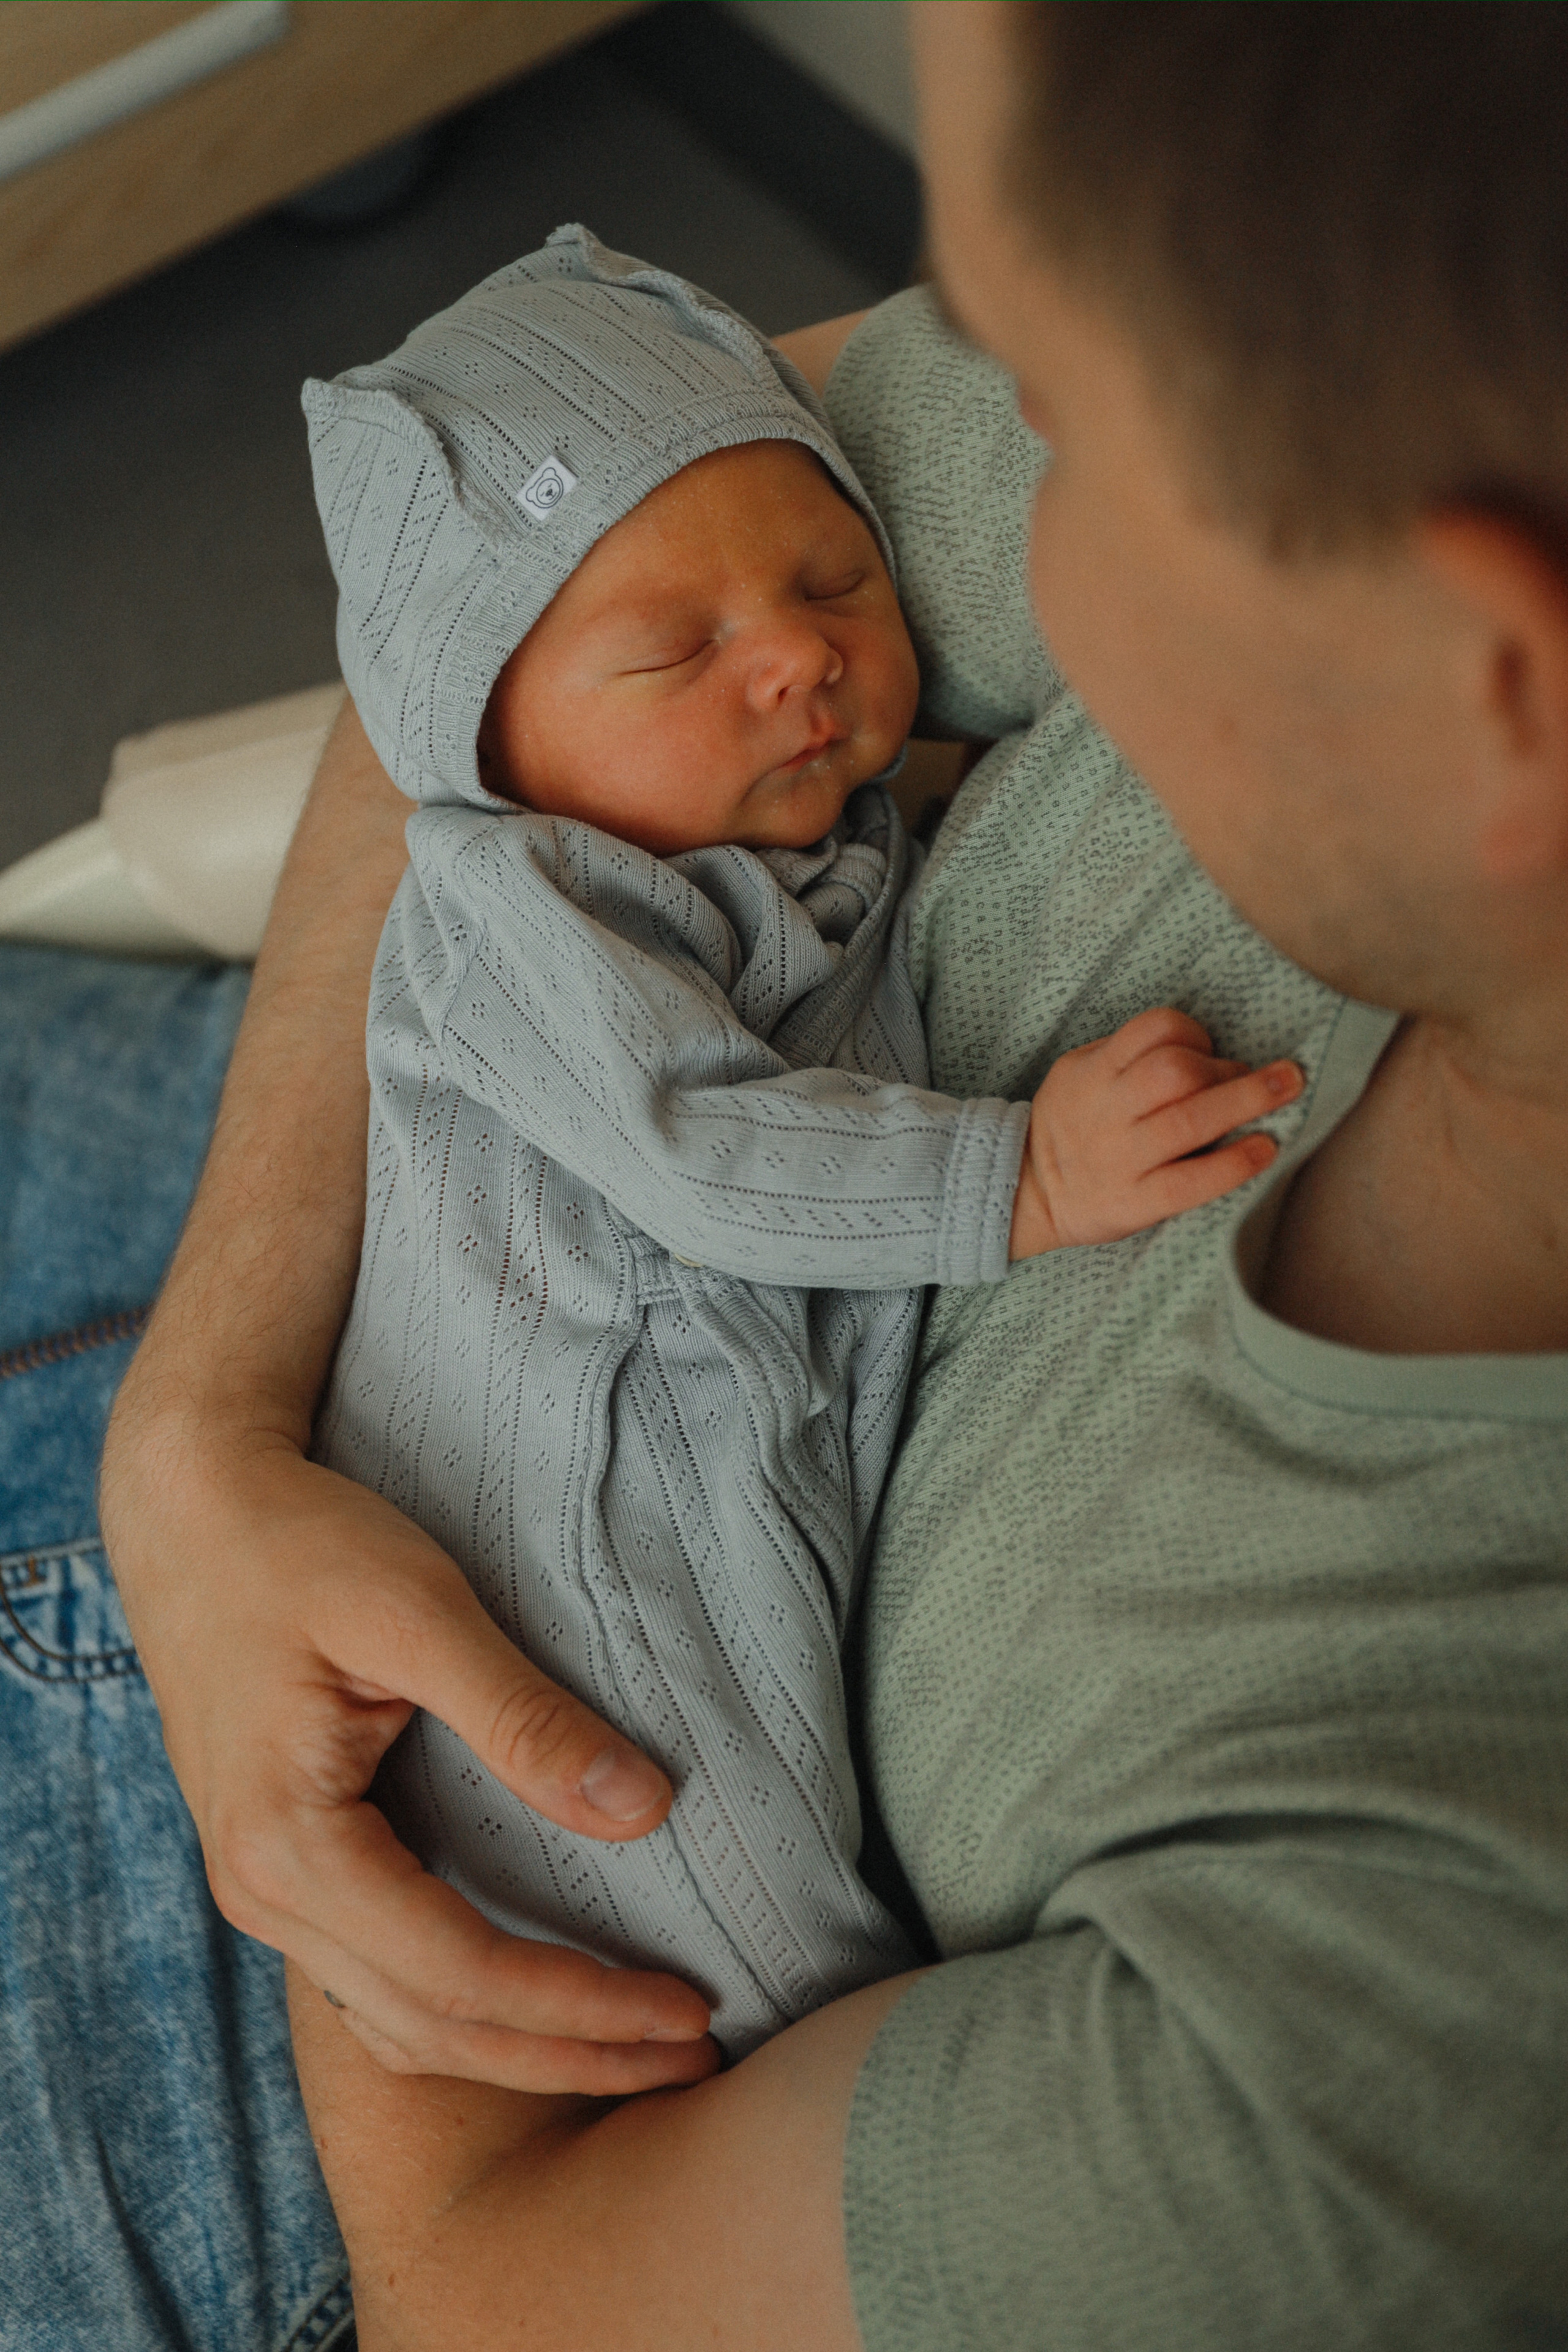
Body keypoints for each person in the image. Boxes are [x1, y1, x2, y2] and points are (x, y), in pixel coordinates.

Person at [29, 0, 1563, 2343]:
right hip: (353, 1213)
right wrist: (211, 1417)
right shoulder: (1393, 392)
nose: (951, 501)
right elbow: (499, 592)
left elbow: (492, 2284)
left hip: (421, 1993)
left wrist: (283, 1659)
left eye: (1044, 414)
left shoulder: (1388, 2017)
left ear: (1503, 678)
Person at [303, 225, 1297, 2062]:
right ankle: (808, 2088)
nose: (797, 662)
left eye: (837, 578)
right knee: (697, 1857)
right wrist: (1028, 1178)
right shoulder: (524, 897)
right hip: (578, 1508)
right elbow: (701, 1148)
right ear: (478, 741)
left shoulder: (801, 843)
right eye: (676, 647)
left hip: (755, 1420)